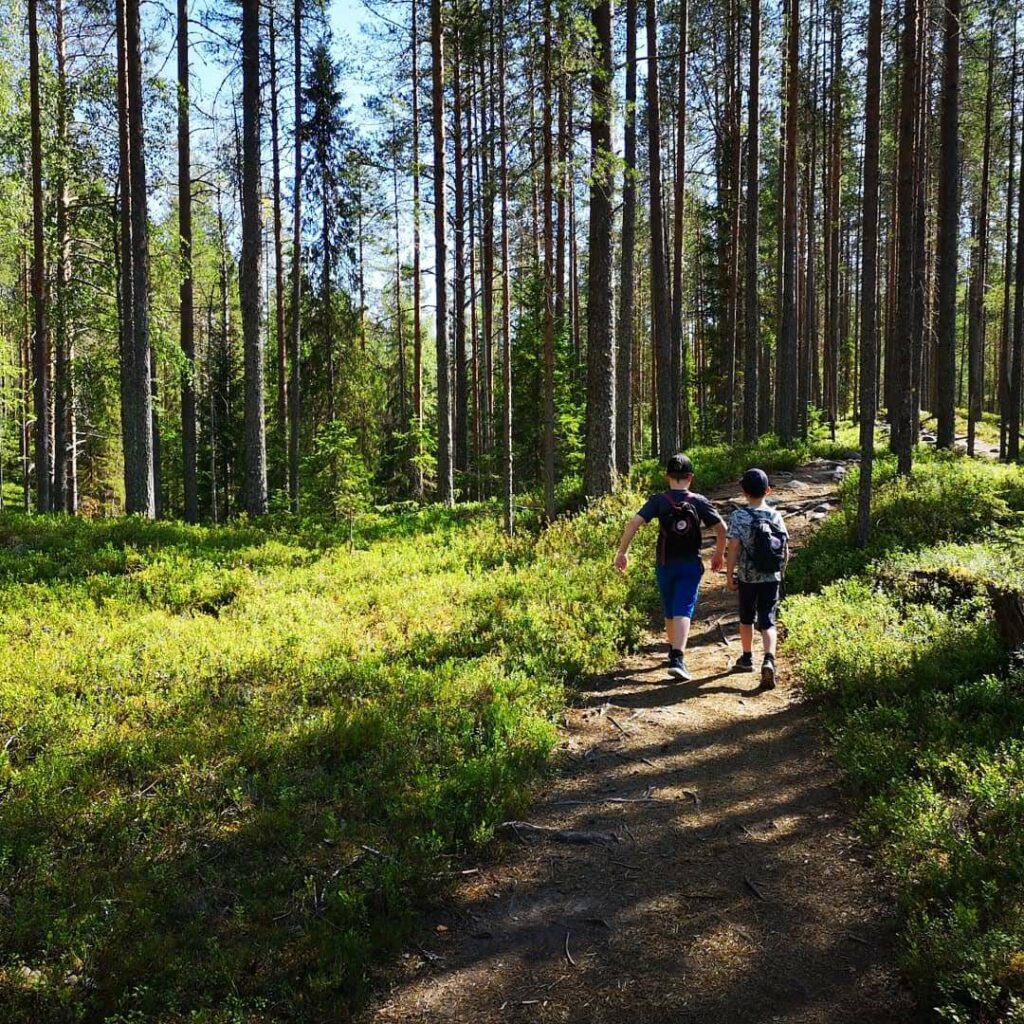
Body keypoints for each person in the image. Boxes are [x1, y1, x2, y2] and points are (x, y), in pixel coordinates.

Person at [614, 453, 726, 680]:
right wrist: (718, 554)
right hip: (690, 564)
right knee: (683, 608)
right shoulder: (698, 501)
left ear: (668, 477)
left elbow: (634, 522)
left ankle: (672, 653)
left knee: (669, 608)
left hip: (664, 563)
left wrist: (622, 552)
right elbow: (722, 528)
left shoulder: (659, 501)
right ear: (690, 477)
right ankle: (677, 656)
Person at [725, 468, 789, 690]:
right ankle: (769, 659)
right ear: (768, 490)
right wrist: (781, 572)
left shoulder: (739, 516)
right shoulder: (776, 516)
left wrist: (729, 574)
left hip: (747, 577)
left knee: (746, 618)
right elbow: (784, 549)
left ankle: (747, 657)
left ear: (744, 492)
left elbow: (733, 547)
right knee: (768, 620)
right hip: (771, 577)